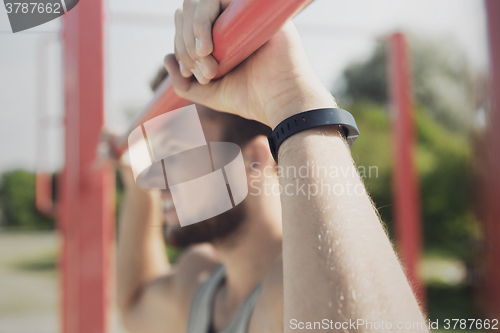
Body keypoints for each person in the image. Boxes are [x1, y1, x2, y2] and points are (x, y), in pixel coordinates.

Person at [116, 0, 429, 332]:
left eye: (176, 148)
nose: (155, 174)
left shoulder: (288, 291)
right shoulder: (202, 286)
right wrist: (131, 175)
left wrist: (289, 97)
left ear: (252, 160)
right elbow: (133, 306)